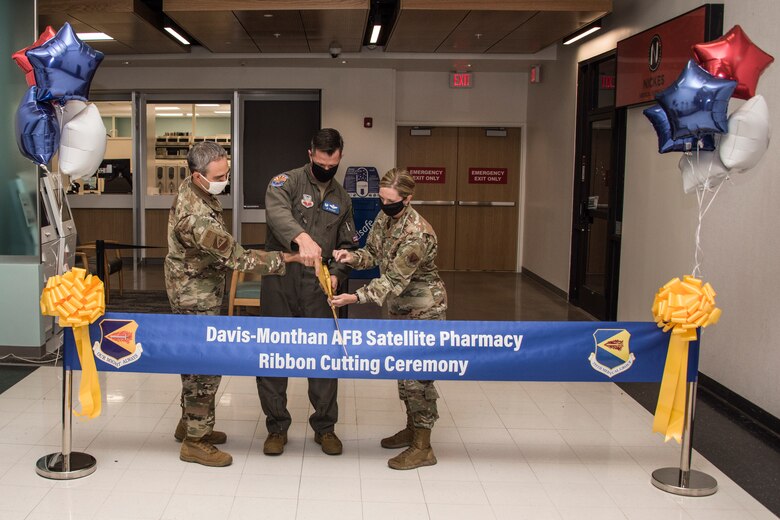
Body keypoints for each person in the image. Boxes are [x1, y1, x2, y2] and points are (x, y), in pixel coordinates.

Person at [165, 141, 301, 467]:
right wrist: (290, 259)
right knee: (204, 365)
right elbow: (239, 258)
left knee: (192, 360)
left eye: (226, 172)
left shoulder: (194, 189)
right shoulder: (196, 218)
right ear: (198, 177)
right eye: (219, 176)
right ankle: (195, 442)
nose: (224, 180)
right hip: (194, 297)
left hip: (195, 285)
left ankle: (189, 423)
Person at [330, 168, 447, 470]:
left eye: (391, 201)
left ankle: (423, 446)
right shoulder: (386, 217)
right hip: (399, 309)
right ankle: (412, 428)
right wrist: (351, 257)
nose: (384, 205)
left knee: (418, 377)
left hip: (424, 311)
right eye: (381, 198)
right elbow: (372, 253)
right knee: (403, 372)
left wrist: (354, 298)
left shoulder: (416, 234)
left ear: (407, 199)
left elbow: (393, 278)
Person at [257, 128, 356, 456]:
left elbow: (346, 245)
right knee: (274, 354)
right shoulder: (285, 183)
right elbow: (277, 215)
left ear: (339, 157)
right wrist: (302, 238)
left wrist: (339, 273)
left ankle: (325, 428)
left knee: (323, 358)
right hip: (281, 279)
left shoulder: (342, 198)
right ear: (310, 153)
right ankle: (276, 427)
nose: (327, 169)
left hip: (318, 285)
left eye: (333, 164)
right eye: (322, 162)